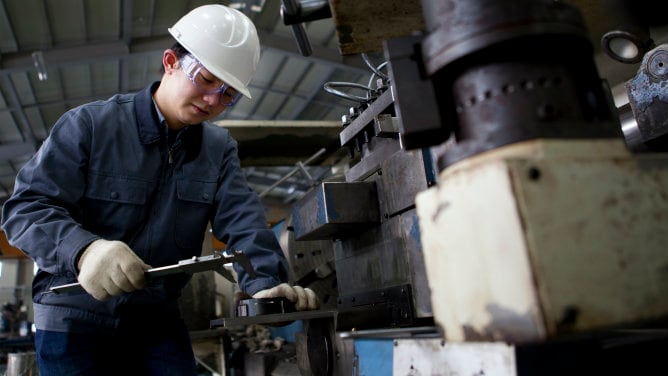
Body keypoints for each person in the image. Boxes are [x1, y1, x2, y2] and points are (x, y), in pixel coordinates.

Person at [0, 4, 318, 375]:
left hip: (155, 319)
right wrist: (84, 251)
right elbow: (25, 208)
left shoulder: (217, 150)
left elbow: (242, 219)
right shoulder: (90, 126)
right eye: (206, 78)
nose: (213, 100)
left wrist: (264, 283)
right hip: (74, 317)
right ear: (170, 62)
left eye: (228, 93)